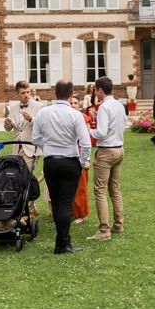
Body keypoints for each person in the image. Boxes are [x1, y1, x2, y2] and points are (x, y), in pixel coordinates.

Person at [32, 79, 91, 254]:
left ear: (54, 93)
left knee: (57, 202)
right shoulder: (74, 114)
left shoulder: (43, 113)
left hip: (51, 161)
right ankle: (63, 243)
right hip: (69, 160)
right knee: (65, 203)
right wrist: (83, 161)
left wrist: (48, 147)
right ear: (71, 93)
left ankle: (61, 242)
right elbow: (86, 143)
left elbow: (36, 138)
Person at [87, 76, 127, 241]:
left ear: (100, 90)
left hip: (106, 152)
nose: (95, 93)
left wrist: (88, 130)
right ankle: (118, 224)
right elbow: (120, 124)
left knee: (100, 191)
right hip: (119, 149)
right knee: (115, 190)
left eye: (96, 90)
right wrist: (98, 117)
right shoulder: (118, 105)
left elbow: (101, 132)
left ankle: (104, 230)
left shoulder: (104, 107)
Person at [3, 81, 44, 216]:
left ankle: (27, 209)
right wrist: (7, 123)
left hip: (32, 147)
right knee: (19, 177)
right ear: (17, 93)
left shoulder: (39, 106)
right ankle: (30, 207)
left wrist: (32, 119)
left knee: (25, 178)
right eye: (23, 93)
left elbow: (44, 126)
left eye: (28, 92)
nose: (26, 95)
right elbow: (9, 129)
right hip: (17, 147)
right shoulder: (12, 107)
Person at [70, 94, 91, 224]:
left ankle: (82, 214)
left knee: (80, 188)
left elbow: (87, 140)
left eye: (75, 103)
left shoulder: (83, 118)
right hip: (69, 157)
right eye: (71, 102)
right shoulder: (65, 117)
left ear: (79, 105)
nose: (72, 105)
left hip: (80, 157)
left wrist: (86, 158)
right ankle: (73, 212)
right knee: (70, 188)